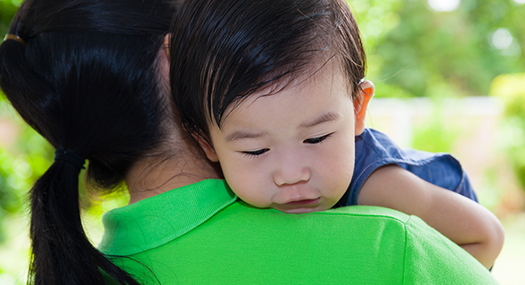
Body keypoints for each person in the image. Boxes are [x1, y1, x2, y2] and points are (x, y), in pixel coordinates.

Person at [0, 0, 497, 284]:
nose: (291, 173)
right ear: (179, 65)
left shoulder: (90, 271)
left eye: (317, 136)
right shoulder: (393, 246)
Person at [168, 0, 504, 270]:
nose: (291, 174)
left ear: (358, 110)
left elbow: (485, 237)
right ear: (206, 142)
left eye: (316, 139)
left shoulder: (381, 187)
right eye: (256, 150)